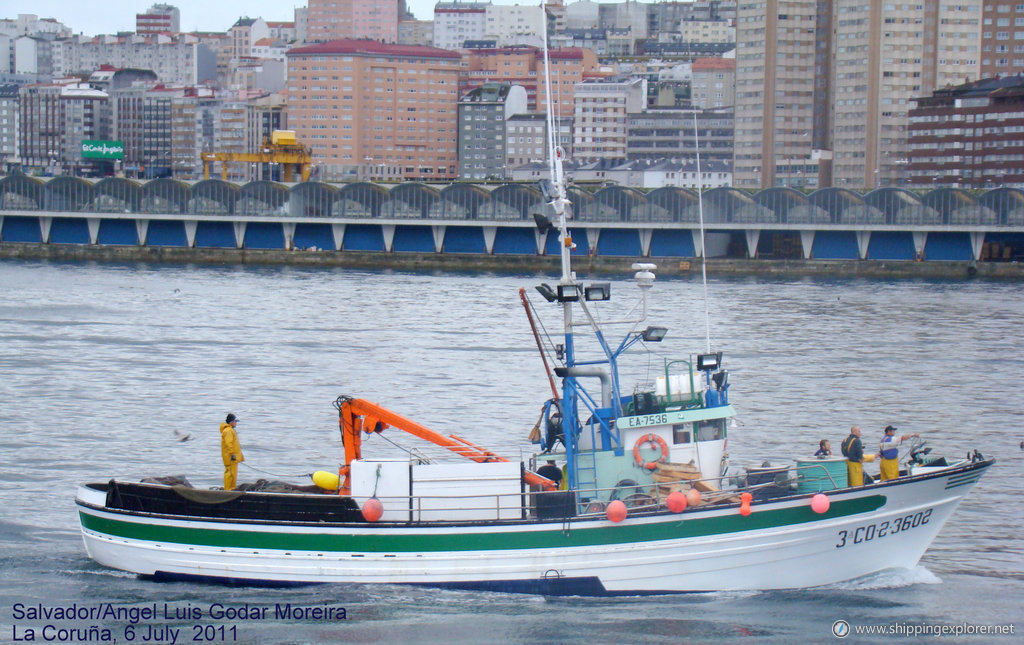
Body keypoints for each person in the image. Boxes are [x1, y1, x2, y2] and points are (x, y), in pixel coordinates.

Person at [220, 413, 244, 490]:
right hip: (230, 457)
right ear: (231, 422)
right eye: (235, 421)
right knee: (230, 473)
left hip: (232, 457)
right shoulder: (228, 431)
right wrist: (232, 454)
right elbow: (228, 443)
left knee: (233, 473)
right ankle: (228, 489)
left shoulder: (230, 430)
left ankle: (231, 488)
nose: (236, 423)